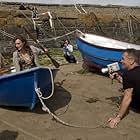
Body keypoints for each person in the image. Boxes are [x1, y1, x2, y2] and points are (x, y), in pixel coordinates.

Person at [107, 49, 140, 128]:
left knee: (124, 99)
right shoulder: (135, 72)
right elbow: (134, 83)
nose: (120, 61)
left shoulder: (128, 74)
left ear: (131, 60)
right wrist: (118, 77)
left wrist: (118, 117)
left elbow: (127, 97)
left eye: (123, 59)